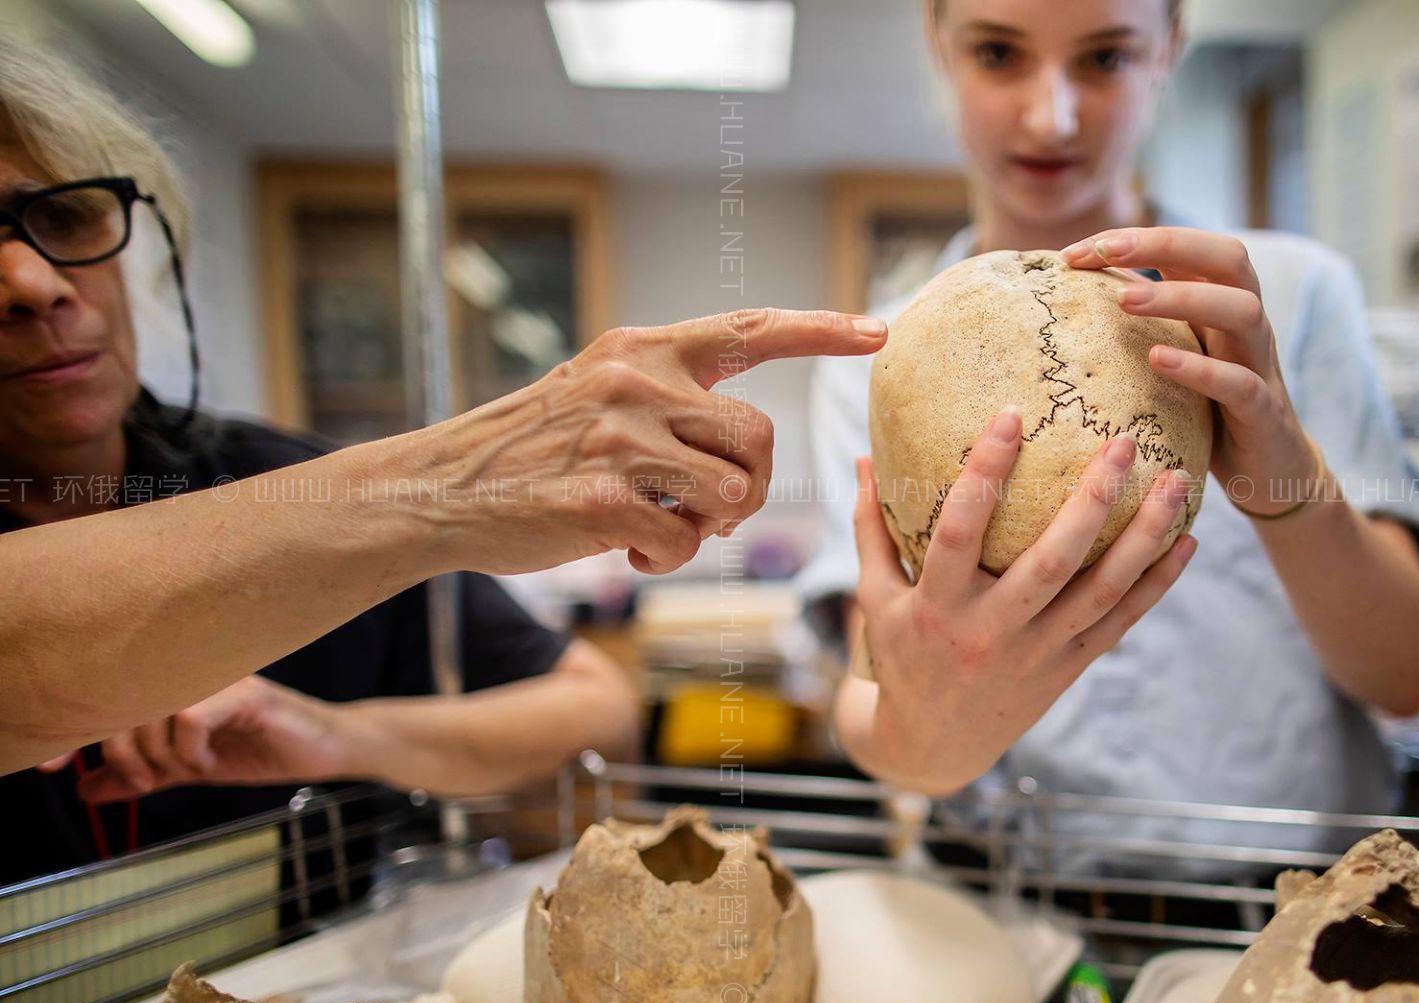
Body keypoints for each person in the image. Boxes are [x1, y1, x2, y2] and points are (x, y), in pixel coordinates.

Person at [0, 40, 886, 872]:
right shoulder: (339, 506)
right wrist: (458, 479)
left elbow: (597, 706)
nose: (35, 284)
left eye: (66, 216)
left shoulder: (267, 476)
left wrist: (344, 736)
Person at [799, 0, 1419, 843]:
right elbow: (881, 706)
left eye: (1105, 59)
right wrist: (933, 714)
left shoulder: (1283, 297)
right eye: (999, 53)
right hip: (1014, 916)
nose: (1050, 116)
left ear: (1169, 49)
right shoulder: (877, 356)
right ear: (938, 42)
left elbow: (1408, 678)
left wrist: (1288, 487)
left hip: (1289, 915)